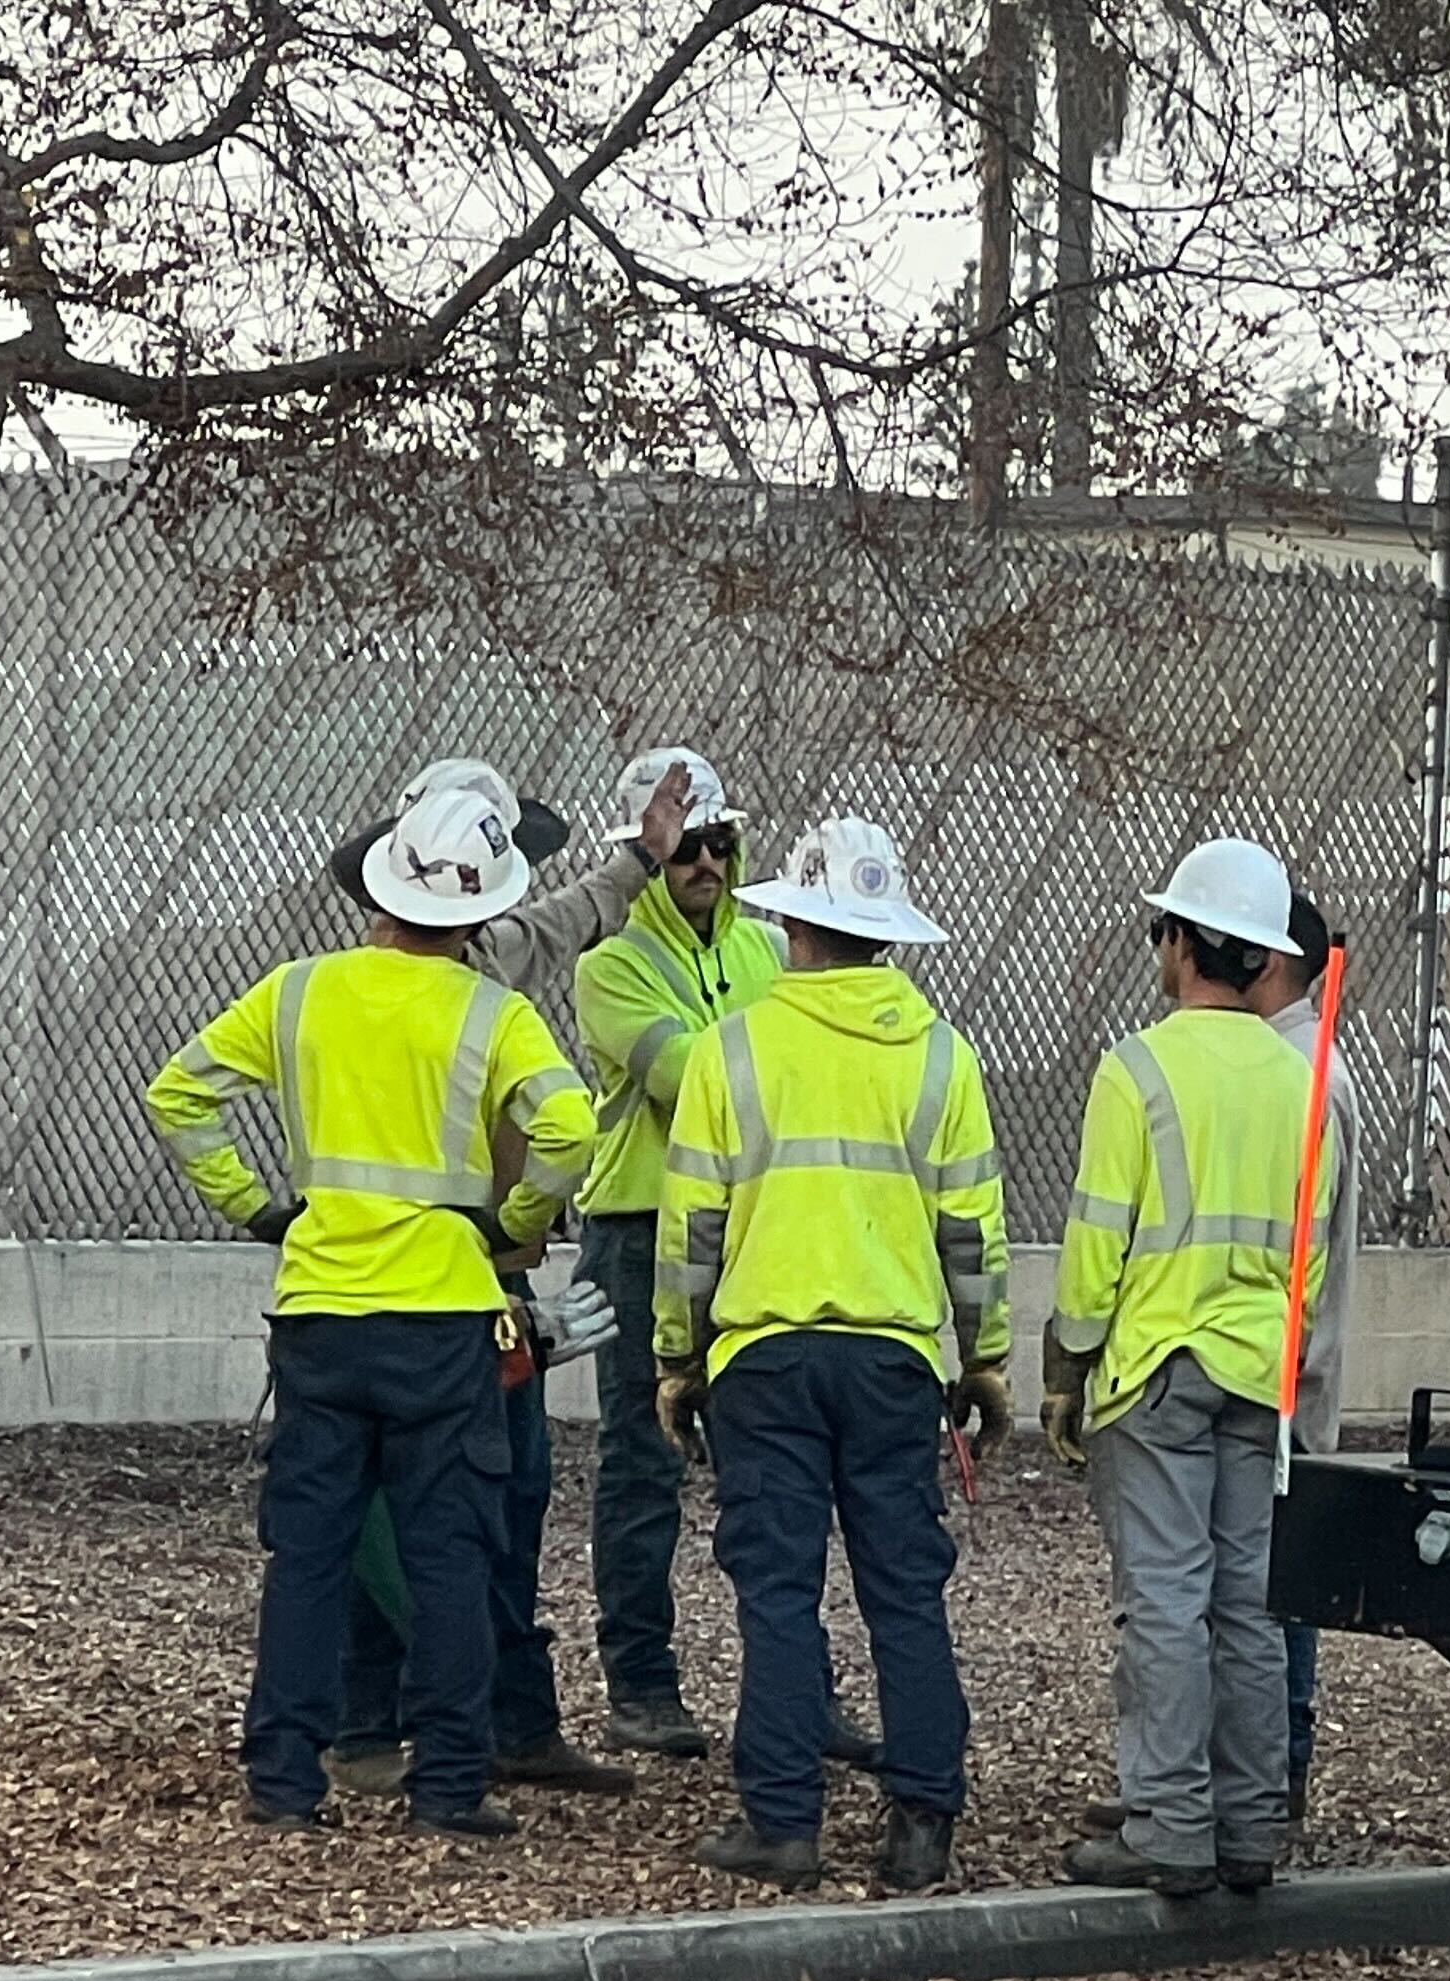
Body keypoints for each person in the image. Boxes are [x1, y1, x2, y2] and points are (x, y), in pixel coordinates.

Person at [146, 785, 596, 1838]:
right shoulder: (494, 1013)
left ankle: (286, 1782)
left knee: (309, 1553)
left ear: (383, 890)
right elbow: (570, 1128)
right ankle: (448, 1786)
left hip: (320, 1313)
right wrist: (505, 1220)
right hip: (443, 1318)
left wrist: (258, 1207)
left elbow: (179, 1094)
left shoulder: (299, 993)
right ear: (482, 914)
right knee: (449, 1556)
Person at [314, 753, 690, 1804]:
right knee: (403, 1512)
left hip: (479, 1292)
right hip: (411, 1293)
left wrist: (638, 858)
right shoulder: (410, 988)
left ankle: (499, 1718)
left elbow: (570, 917)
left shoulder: (490, 959)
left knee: (503, 1497)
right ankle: (370, 1721)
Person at [657, 817, 1009, 1893]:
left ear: (794, 925)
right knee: (905, 1591)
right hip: (896, 1358)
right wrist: (985, 1357)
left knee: (777, 1590)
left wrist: (677, 1357)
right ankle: (921, 1823)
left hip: (762, 1358)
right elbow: (973, 1229)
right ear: (885, 933)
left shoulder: (733, 1050)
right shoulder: (943, 1055)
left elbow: (692, 1229)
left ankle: (783, 1822)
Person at [1048, 837, 1331, 1900]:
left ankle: (1169, 1827)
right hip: (1263, 1375)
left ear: (1180, 944)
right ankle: (1247, 1826)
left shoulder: (1138, 1071)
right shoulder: (1302, 1083)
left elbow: (1094, 1245)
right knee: (1248, 1606)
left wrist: (1069, 1364)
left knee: (1164, 1602)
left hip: (1156, 1367)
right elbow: (1312, 1245)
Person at [571, 748, 783, 1760]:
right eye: (687, 846)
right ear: (646, 856)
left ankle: (788, 1691)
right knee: (644, 1466)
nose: (707, 860)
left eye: (721, 842)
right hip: (639, 1228)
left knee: (767, 1463)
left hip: (748, 1225)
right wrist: (798, 1068)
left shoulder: (771, 955)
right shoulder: (608, 966)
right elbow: (685, 1081)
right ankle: (642, 1684)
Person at [1254, 884, 1358, 1813]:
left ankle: (1279, 1765)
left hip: (1285, 1370)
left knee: (1276, 1582)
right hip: (1294, 1365)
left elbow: (1305, 1245)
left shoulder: (1303, 1072)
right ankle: (1269, 1764)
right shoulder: (1305, 1062)